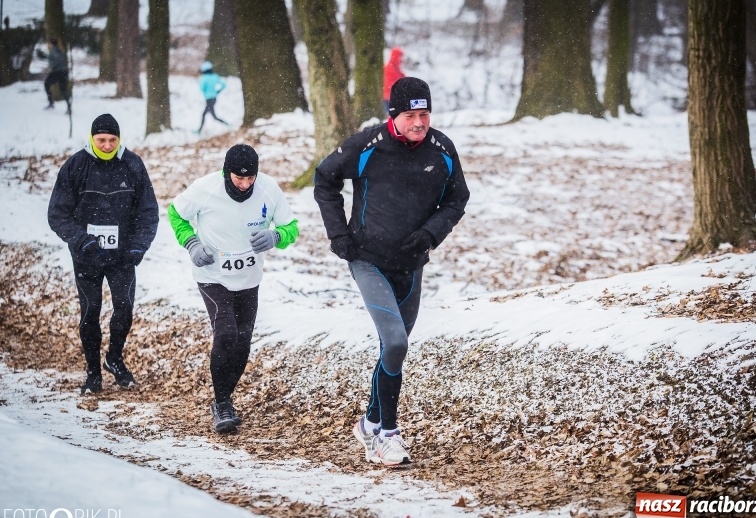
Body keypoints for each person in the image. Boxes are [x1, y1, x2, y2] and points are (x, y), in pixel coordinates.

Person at [314, 77, 470, 466]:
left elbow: (457, 199)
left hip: (411, 264)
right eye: (411, 115)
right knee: (396, 343)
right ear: (393, 115)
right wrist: (339, 235)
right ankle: (387, 434)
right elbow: (324, 180)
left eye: (425, 114)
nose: (419, 122)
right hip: (368, 259)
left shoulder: (442, 149)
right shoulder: (366, 145)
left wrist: (430, 235)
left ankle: (368, 423)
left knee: (392, 351)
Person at [168, 144, 299, 434]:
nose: (245, 184)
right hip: (211, 273)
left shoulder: (268, 189)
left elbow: (292, 227)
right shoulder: (205, 189)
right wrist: (192, 244)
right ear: (227, 173)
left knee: (243, 340)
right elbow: (176, 213)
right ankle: (222, 402)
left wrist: (276, 236)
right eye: (239, 179)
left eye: (250, 178)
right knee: (226, 332)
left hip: (249, 278)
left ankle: (224, 395)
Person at [47, 114, 159, 394]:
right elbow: (57, 214)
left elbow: (148, 212)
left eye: (112, 140)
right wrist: (82, 240)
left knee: (124, 308)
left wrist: (138, 246)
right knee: (90, 312)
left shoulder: (133, 165)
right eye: (101, 140)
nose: (107, 145)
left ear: (119, 139)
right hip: (87, 256)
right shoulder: (76, 165)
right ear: (92, 139)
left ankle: (114, 358)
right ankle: (93, 372)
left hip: (123, 256)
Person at [195, 61, 228, 133]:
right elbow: (224, 85)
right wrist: (218, 91)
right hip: (214, 98)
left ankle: (199, 131)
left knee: (205, 115)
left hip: (209, 99)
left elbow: (202, 88)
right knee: (213, 116)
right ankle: (227, 125)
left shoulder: (204, 78)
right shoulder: (215, 76)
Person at [42, 38, 70, 112]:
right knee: (63, 90)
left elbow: (54, 64)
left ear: (51, 44)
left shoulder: (53, 52)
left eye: (49, 44)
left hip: (57, 72)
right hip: (64, 72)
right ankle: (69, 107)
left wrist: (51, 67)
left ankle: (51, 103)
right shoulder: (61, 51)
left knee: (46, 84)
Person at [383, 47, 405, 116]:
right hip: (389, 97)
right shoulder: (389, 68)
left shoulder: (396, 68)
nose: (401, 59)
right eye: (400, 57)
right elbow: (392, 83)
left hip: (393, 97)